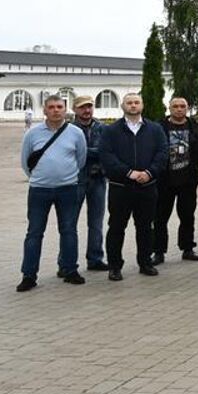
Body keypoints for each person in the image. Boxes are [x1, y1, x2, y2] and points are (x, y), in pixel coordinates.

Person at [16, 95, 87, 292]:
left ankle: (70, 269)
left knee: (69, 230)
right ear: (44, 110)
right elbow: (25, 162)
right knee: (34, 233)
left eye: (59, 107)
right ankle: (29, 275)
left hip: (68, 189)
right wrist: (40, 177)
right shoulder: (32, 134)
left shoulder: (76, 133)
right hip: (39, 190)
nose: (56, 110)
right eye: (51, 107)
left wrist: (66, 175)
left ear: (65, 110)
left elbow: (80, 159)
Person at [98, 93, 168, 282]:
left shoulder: (155, 129)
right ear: (123, 106)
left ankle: (145, 262)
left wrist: (149, 172)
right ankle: (114, 266)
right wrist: (128, 172)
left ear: (142, 105)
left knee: (145, 227)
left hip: (147, 186)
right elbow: (106, 156)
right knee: (117, 227)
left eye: (137, 102)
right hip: (121, 187)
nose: (133, 106)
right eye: (129, 103)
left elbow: (163, 153)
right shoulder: (110, 131)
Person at [153, 97, 198, 265]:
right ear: (169, 108)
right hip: (164, 181)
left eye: (182, 106)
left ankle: (187, 248)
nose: (179, 109)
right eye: (175, 106)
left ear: (187, 108)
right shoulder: (159, 127)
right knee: (160, 217)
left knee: (187, 216)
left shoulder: (194, 126)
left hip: (188, 181)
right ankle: (158, 251)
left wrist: (191, 165)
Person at [71, 95, 109, 272]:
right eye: (82, 107)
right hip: (75, 180)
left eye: (89, 107)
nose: (86, 110)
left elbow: (105, 151)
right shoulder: (68, 129)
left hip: (98, 179)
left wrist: (84, 152)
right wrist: (91, 152)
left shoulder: (102, 128)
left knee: (96, 222)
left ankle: (95, 258)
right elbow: (70, 152)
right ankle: (67, 262)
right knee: (69, 224)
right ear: (75, 109)